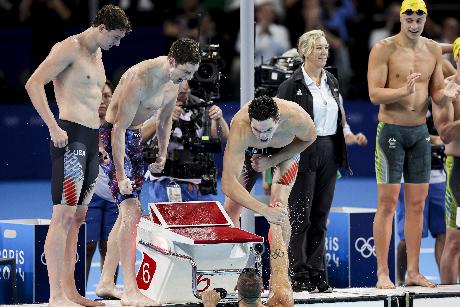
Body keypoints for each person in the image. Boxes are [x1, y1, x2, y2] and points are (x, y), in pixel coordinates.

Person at [24, 5, 130, 307]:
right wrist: (53, 126)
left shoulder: (98, 57)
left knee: (79, 217)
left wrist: (98, 142)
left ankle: (71, 292)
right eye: (116, 37)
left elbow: (91, 103)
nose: (117, 44)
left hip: (90, 141)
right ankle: (55, 295)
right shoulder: (69, 47)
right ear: (102, 27)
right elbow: (34, 83)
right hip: (70, 138)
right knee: (63, 215)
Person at [95, 38, 200, 306]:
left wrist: (162, 152)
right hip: (113, 138)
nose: (187, 79)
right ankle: (130, 290)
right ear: (172, 61)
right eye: (185, 72)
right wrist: (120, 175)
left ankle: (106, 283)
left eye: (192, 74)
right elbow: (117, 129)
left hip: (133, 139)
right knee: (131, 211)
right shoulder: (139, 78)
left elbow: (164, 120)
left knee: (126, 214)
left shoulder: (173, 82)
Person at [367, 0, 460, 289]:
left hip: (420, 133)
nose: (413, 24)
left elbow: (436, 91)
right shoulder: (384, 48)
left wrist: (449, 87)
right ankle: (383, 272)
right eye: (409, 18)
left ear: (425, 20)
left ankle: (414, 272)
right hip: (392, 132)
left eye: (419, 20)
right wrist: (402, 91)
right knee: (388, 204)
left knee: (417, 205)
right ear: (401, 18)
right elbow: (374, 94)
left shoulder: (432, 49)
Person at [276, 29, 361, 293]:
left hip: (329, 150)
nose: (324, 52)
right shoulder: (291, 86)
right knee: (301, 216)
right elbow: (280, 126)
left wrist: (346, 135)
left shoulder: (332, 81)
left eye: (326, 48)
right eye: (318, 48)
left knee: (321, 216)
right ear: (305, 52)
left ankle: (317, 271)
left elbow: (339, 114)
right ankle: (298, 272)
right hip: (302, 150)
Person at [222, 95, 317, 247]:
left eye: (268, 130)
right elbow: (227, 184)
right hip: (250, 152)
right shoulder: (240, 126)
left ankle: (280, 270)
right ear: (250, 120)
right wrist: (263, 210)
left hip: (284, 151)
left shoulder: (296, 117)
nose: (262, 136)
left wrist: (273, 160)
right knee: (231, 209)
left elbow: (309, 138)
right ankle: (234, 266)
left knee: (278, 206)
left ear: (277, 119)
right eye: (256, 130)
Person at [142, 81, 230, 202]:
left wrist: (218, 118)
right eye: (179, 93)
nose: (183, 96)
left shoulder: (200, 105)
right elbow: (140, 136)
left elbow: (223, 136)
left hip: (196, 181)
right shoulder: (154, 104)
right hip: (165, 180)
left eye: (185, 92)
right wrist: (162, 117)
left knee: (207, 220)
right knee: (170, 220)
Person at [201, 206, 294, 307]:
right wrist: (276, 225)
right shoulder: (281, 303)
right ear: (262, 289)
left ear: (236, 288)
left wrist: (209, 303)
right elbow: (280, 269)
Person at [396, 100, 446, 286]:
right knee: (407, 236)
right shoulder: (404, 104)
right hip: (409, 178)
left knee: (443, 234)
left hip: (437, 177)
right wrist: (435, 139)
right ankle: (401, 279)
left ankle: (446, 282)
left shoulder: (441, 105)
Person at [84, 80, 120, 287]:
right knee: (88, 246)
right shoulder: (81, 127)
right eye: (98, 96)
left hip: (115, 195)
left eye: (107, 96)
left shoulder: (120, 126)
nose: (102, 101)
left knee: (110, 245)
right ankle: (79, 291)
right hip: (90, 195)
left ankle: (109, 290)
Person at [434, 38, 460, 284]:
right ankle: (448, 298)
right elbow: (445, 134)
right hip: (458, 174)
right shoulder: (448, 91)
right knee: (454, 240)